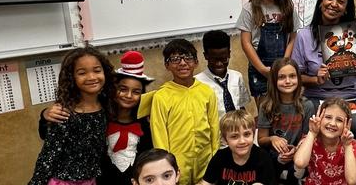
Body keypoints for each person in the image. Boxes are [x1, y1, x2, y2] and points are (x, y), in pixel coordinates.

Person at [291, 0, 356, 170]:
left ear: (346, 8)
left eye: (341, 1)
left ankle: (354, 174)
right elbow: (296, 76)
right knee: (309, 124)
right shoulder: (304, 35)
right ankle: (310, 172)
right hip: (316, 96)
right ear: (321, 1)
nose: (334, 4)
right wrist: (314, 78)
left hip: (350, 94)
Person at [41, 50, 155, 184]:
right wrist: (44, 115)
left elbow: (147, 158)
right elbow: (49, 139)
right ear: (113, 88)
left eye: (136, 92)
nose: (128, 95)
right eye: (122, 89)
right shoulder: (101, 111)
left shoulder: (145, 123)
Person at [29, 46, 116, 185]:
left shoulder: (106, 105)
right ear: (72, 77)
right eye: (82, 73)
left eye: (97, 70)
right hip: (63, 182)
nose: (92, 77)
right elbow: (48, 155)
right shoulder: (65, 113)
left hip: (91, 181)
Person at [151, 39, 219, 185]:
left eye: (187, 57)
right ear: (167, 65)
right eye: (175, 59)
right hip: (177, 162)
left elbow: (214, 127)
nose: (182, 63)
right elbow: (159, 135)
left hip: (205, 160)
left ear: (196, 62)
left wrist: (215, 158)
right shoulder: (161, 96)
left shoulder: (206, 91)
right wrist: (166, 167)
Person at [237, 0, 301, 99]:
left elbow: (292, 38)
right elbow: (246, 43)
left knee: (283, 106)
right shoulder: (249, 9)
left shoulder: (288, 8)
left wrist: (284, 64)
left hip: (283, 68)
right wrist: (262, 69)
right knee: (264, 110)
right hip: (258, 68)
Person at [256, 58, 315, 184]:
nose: (288, 81)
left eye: (292, 76)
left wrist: (296, 150)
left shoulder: (307, 105)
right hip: (273, 155)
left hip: (297, 153)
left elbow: (307, 137)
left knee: (299, 169)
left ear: (298, 79)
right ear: (274, 80)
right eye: (282, 77)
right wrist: (272, 139)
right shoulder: (266, 106)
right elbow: (261, 140)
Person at [294, 98, 356, 185]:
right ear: (319, 118)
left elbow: (352, 181)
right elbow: (300, 163)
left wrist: (347, 146)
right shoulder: (310, 139)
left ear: (346, 124)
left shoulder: (351, 144)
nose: (332, 123)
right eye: (328, 117)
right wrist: (312, 133)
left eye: (339, 120)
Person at [200, 110, 276, 185]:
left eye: (246, 134)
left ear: (253, 134)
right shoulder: (220, 156)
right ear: (224, 140)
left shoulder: (263, 158)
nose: (242, 141)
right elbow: (206, 182)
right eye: (234, 136)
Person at [195, 30, 252, 120]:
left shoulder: (237, 77)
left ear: (229, 54)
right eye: (214, 59)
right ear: (206, 56)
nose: (219, 64)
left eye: (223, 59)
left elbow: (241, 107)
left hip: (237, 129)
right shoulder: (197, 83)